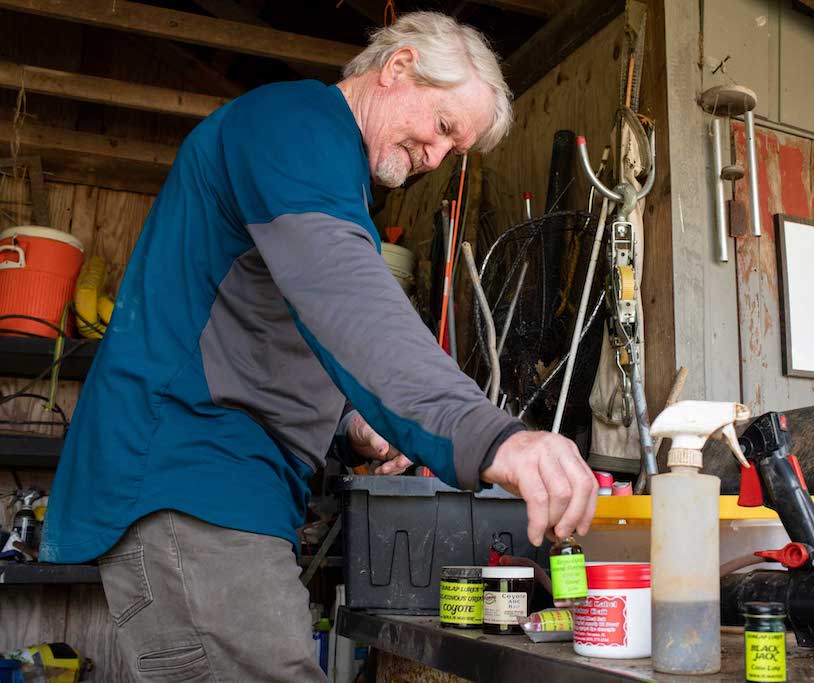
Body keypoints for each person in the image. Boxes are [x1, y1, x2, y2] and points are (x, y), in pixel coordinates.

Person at [40, 12, 598, 681]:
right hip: (189, 479)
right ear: (398, 69)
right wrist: (491, 433)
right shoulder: (293, 124)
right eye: (445, 127)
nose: (438, 156)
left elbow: (271, 332)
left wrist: (351, 419)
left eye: (457, 150)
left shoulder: (329, 176)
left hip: (223, 491)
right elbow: (347, 297)